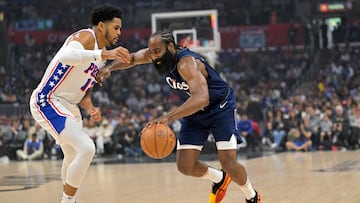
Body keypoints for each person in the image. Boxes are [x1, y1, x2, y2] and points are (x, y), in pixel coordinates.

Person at [96, 29, 261, 203]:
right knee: (185, 165)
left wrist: (168, 117)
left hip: (220, 107)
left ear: (170, 46)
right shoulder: (155, 55)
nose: (154, 56)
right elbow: (132, 58)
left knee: (228, 162)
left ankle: (252, 196)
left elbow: (202, 98)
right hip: (195, 110)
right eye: (151, 52)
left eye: (157, 51)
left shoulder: (187, 63)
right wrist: (110, 68)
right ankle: (219, 179)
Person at [29, 5, 131, 203]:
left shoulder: (100, 56)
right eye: (116, 28)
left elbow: (84, 91)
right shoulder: (87, 37)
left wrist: (90, 107)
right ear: (102, 26)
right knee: (87, 148)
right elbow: (66, 56)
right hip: (48, 99)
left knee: (73, 152)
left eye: (120, 28)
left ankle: (67, 200)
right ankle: (67, 201)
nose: (119, 32)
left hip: (70, 105)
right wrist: (105, 55)